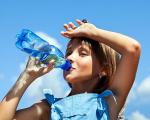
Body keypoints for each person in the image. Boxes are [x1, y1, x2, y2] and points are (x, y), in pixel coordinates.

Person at [0, 19, 141, 120]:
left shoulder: (109, 103)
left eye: (83, 53)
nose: (70, 57)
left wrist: (94, 33)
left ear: (104, 69)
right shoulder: (49, 107)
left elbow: (132, 49)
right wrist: (26, 77)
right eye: (68, 52)